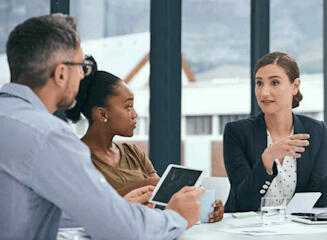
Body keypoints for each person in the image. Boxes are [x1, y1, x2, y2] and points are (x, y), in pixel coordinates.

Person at [0, 14, 205, 240]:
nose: (82, 76)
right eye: (81, 67)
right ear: (60, 73)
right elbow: (123, 231)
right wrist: (177, 217)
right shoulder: (48, 135)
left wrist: (115, 207)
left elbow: (26, 209)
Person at [64, 57, 224, 222]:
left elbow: (161, 200)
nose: (135, 114)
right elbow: (89, 208)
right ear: (103, 114)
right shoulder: (77, 157)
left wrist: (205, 207)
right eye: (128, 106)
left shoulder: (132, 152)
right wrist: (144, 184)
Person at [223, 52, 327, 212]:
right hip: (245, 230)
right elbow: (243, 202)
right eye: (259, 83)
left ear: (295, 86)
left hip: (297, 230)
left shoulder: (317, 131)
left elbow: (319, 196)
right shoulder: (236, 132)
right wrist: (267, 159)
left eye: (275, 82)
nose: (264, 92)